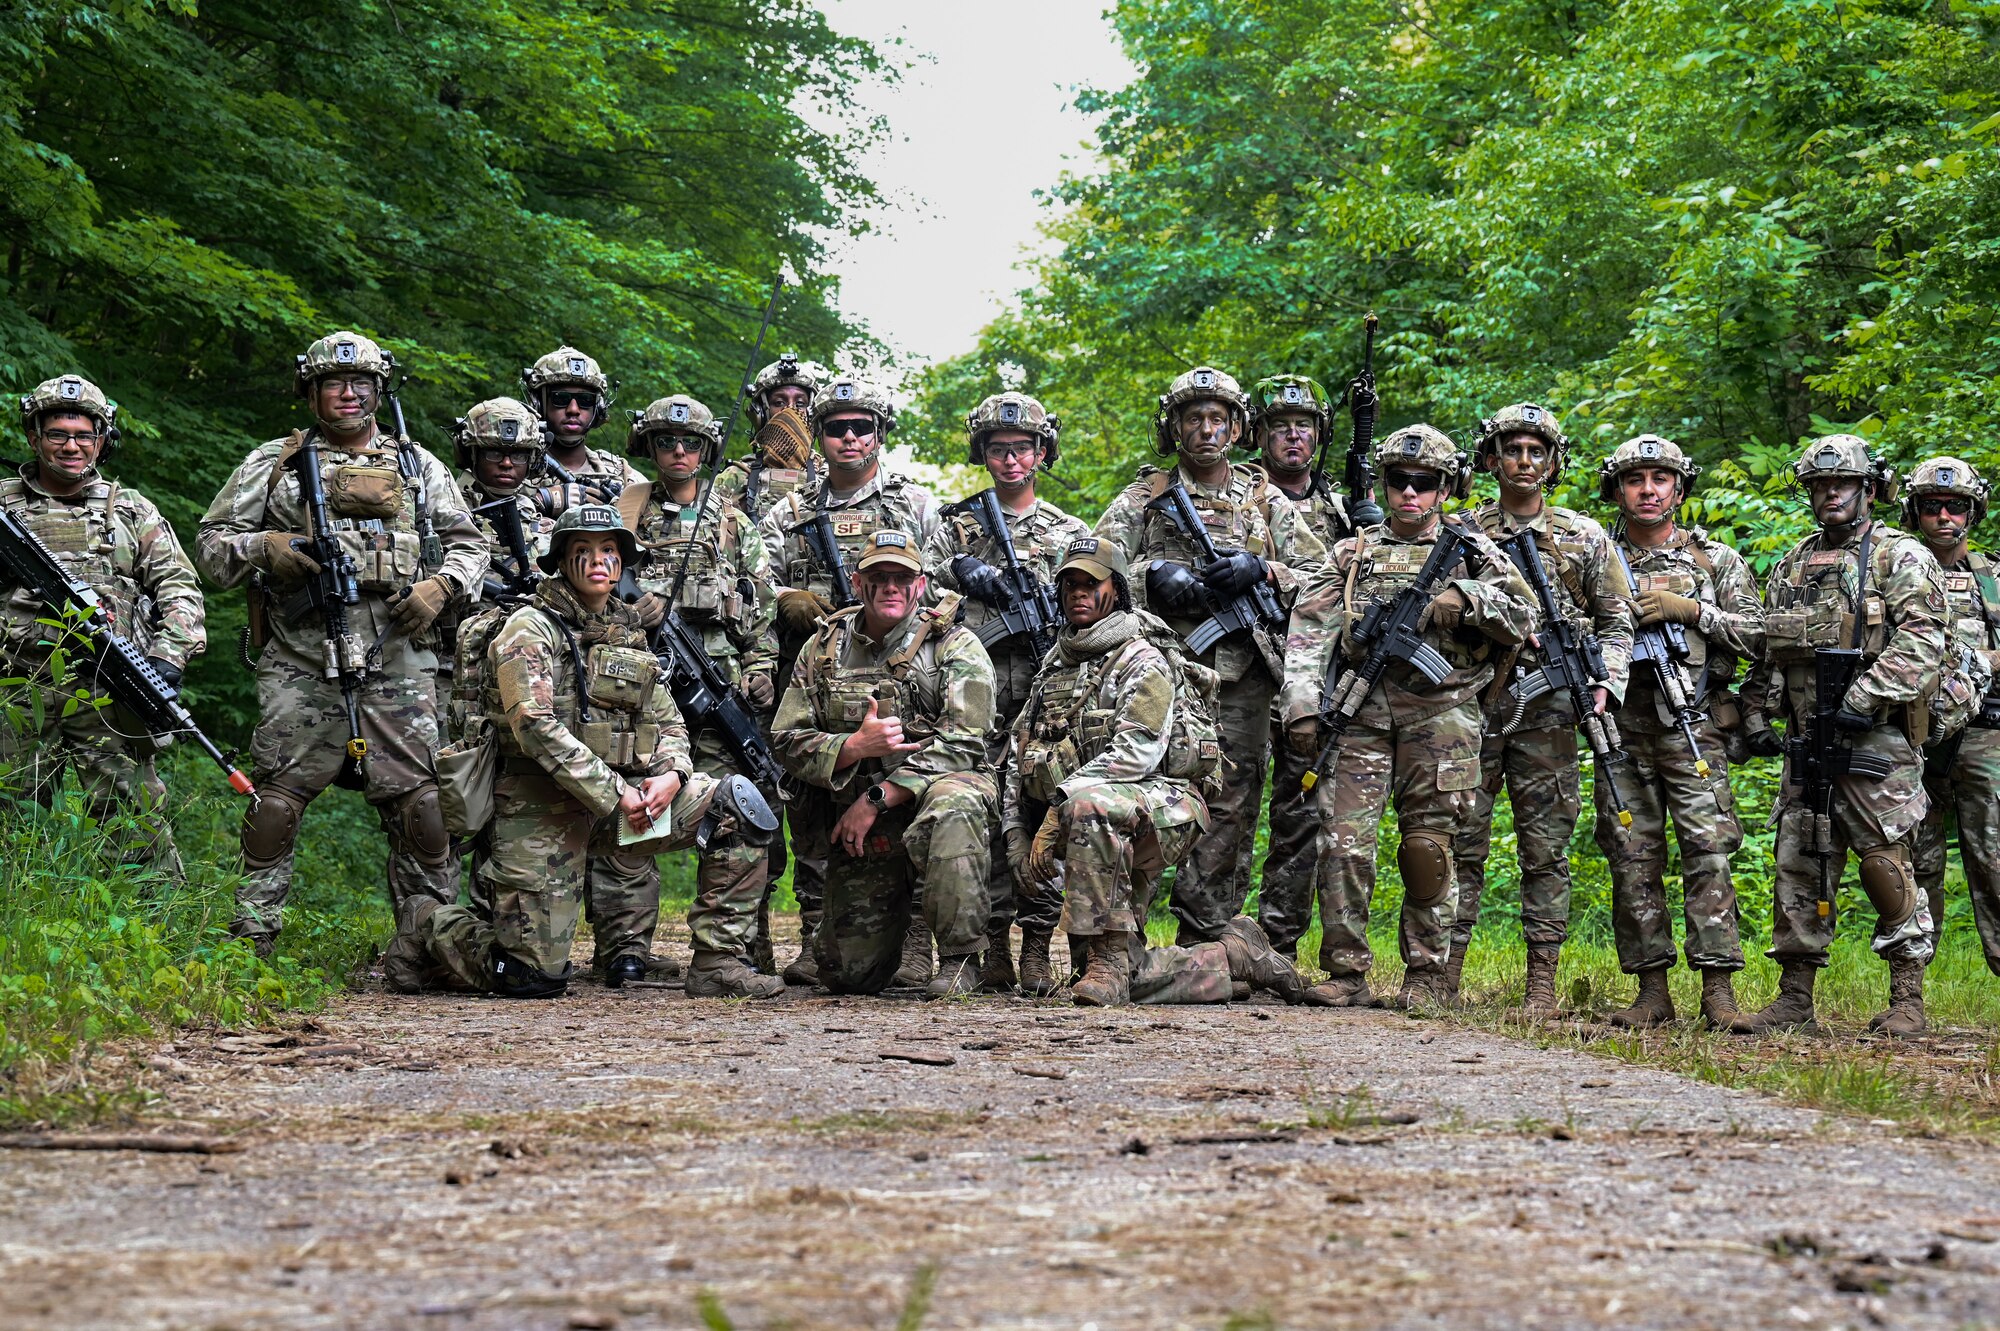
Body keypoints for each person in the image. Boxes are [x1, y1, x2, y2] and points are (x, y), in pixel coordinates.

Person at [381, 504, 776, 997]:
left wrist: (672, 772)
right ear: (560, 562)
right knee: (532, 976)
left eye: (609, 550)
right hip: (539, 808)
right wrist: (617, 793)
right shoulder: (530, 628)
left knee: (736, 805)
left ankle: (718, 963)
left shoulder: (625, 630)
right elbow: (534, 725)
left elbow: (668, 717)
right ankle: (426, 924)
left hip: (618, 809)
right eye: (583, 551)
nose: (599, 561)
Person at [197, 332, 486, 954]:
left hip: (399, 657)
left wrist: (441, 586)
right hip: (301, 659)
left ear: (379, 390)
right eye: (333, 383)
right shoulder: (272, 463)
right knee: (274, 805)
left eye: (360, 384)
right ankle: (252, 942)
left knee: (424, 812)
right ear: (311, 392)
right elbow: (213, 552)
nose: (348, 394)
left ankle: (430, 946)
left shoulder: (417, 465)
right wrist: (265, 548)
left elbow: (471, 544)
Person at [1012, 536, 1338, 1006]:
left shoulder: (1143, 659)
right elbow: (1015, 760)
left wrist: (1055, 809)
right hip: (1098, 818)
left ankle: (1108, 962)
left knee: (1089, 805)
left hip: (1163, 807)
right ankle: (1232, 960)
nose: (1078, 593)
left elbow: (1137, 753)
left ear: (1117, 590)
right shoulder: (1053, 667)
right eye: (1070, 585)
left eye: (1091, 583)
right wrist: (1015, 838)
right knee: (1129, 972)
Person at [1280, 426, 1534, 1006]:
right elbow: (1309, 632)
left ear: (1445, 489)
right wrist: (1301, 707)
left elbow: (1525, 615)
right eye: (1399, 481)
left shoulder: (1474, 551)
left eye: (1424, 483)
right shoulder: (1354, 552)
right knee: (1343, 845)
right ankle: (1346, 973)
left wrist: (1465, 602)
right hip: (1362, 712)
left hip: (1443, 714)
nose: (1410, 494)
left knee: (1429, 847)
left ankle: (1425, 977)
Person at [1093, 366, 1325, 947]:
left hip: (1243, 676)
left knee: (1232, 802)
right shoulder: (1141, 499)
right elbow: (1088, 572)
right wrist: (1152, 576)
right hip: (1158, 672)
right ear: (1173, 427)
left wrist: (1264, 568)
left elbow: (1325, 576)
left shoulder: (1264, 499)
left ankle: (1206, 932)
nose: (1205, 431)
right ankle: (1121, 934)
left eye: (1217, 419)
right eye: (1193, 419)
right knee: (1143, 790)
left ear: (1237, 427)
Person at [1740, 435, 1946, 1035]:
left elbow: (1926, 641)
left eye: (1844, 484)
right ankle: (1795, 996)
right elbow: (1771, 649)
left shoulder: (1899, 556)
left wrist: (1863, 696)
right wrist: (1756, 713)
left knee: (1886, 862)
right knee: (1800, 862)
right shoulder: (1792, 565)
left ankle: (1908, 998)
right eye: (1820, 486)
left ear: (1869, 489)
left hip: (1876, 739)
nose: (1831, 494)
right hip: (1809, 739)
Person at [1452, 402, 1633, 1013]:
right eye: (1512, 450)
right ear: (1491, 459)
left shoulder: (1583, 537)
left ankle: (1542, 982)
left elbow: (1616, 621)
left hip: (1552, 710)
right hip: (1474, 704)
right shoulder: (1463, 534)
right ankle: (1441, 970)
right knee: (1460, 837)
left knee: (1545, 845)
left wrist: (1606, 683)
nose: (1524, 463)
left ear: (1553, 463)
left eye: (1536, 452)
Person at [759, 379, 940, 985]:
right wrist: (791, 600)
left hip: (899, 675)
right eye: (836, 428)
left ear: (879, 435)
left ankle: (914, 934)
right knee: (811, 806)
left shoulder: (913, 505)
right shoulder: (790, 511)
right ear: (820, 435)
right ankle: (818, 933)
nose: (850, 438)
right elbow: (754, 581)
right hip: (817, 676)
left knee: (905, 795)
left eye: (862, 427)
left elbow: (936, 591)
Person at [769, 531, 994, 996]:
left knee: (955, 802)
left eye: (901, 578)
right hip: (865, 824)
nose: (891, 587)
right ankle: (886, 942)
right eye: (878, 578)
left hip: (929, 797)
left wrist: (878, 797)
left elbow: (967, 742)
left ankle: (961, 958)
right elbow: (785, 739)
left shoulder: (954, 645)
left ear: (920, 585)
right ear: (857, 583)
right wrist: (851, 748)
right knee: (846, 975)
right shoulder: (823, 649)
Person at [1592, 435, 1765, 1030]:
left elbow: (1761, 638)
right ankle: (1651, 991)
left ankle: (1718, 991)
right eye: (1636, 480)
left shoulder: (1714, 562)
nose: (1648, 490)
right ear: (1617, 490)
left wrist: (1693, 612)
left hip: (1693, 729)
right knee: (1631, 854)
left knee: (1708, 850)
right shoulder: (1594, 556)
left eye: (1660, 479)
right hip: (1618, 731)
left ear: (1679, 489)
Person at [0, 375, 205, 875]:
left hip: (105, 687)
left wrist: (166, 656)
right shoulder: (3, 506)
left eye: (84, 435)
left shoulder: (131, 509)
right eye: (57, 434)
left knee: (136, 824)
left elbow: (180, 588)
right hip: (15, 685)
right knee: (8, 818)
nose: (71, 446)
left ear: (101, 440)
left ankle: (160, 926)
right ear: (34, 437)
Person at [922, 391, 1089, 993]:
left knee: (1045, 815)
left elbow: (1092, 608)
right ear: (983, 454)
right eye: (999, 450)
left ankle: (1039, 947)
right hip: (975, 699)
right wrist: (967, 585)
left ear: (1042, 452)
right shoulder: (955, 530)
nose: (1012, 461)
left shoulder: (1069, 530)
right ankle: (990, 946)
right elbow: (917, 604)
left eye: (1022, 449)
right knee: (985, 815)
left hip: (1049, 701)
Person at [625, 394, 783, 998]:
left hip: (716, 693)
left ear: (710, 450)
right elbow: (590, 585)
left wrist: (762, 668)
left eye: (691, 443)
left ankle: (729, 949)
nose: (680, 452)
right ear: (652, 448)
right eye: (667, 442)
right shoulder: (627, 513)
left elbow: (761, 610)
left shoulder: (733, 523)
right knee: (638, 810)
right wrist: (628, 615)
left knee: (735, 809)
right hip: (638, 691)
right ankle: (624, 949)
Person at [1245, 373, 1354, 958]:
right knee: (1228, 802)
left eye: (1304, 426)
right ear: (1258, 434)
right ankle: (1210, 935)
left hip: (1316, 674)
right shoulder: (1240, 495)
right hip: (1246, 665)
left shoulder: (1340, 504)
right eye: (1280, 426)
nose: (1293, 437)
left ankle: (1279, 943)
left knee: (1303, 805)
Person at [1906, 457, 2000, 977]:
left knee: (1994, 865)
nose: (1944, 517)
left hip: (1985, 738)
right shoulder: (1891, 571)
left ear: (1973, 512)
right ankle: (1909, 992)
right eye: (1931, 506)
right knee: (1916, 869)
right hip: (1912, 739)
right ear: (1913, 512)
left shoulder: (1992, 576)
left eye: (1956, 506)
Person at [520, 346, 643, 513]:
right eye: (561, 398)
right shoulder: (511, 468)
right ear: (538, 404)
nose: (573, 409)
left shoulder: (623, 476)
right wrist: (542, 500)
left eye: (585, 400)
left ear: (598, 407)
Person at [712, 354, 821, 522]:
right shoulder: (736, 477)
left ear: (812, 413)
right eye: (779, 403)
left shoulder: (829, 477)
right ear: (760, 413)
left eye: (800, 404)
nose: (790, 411)